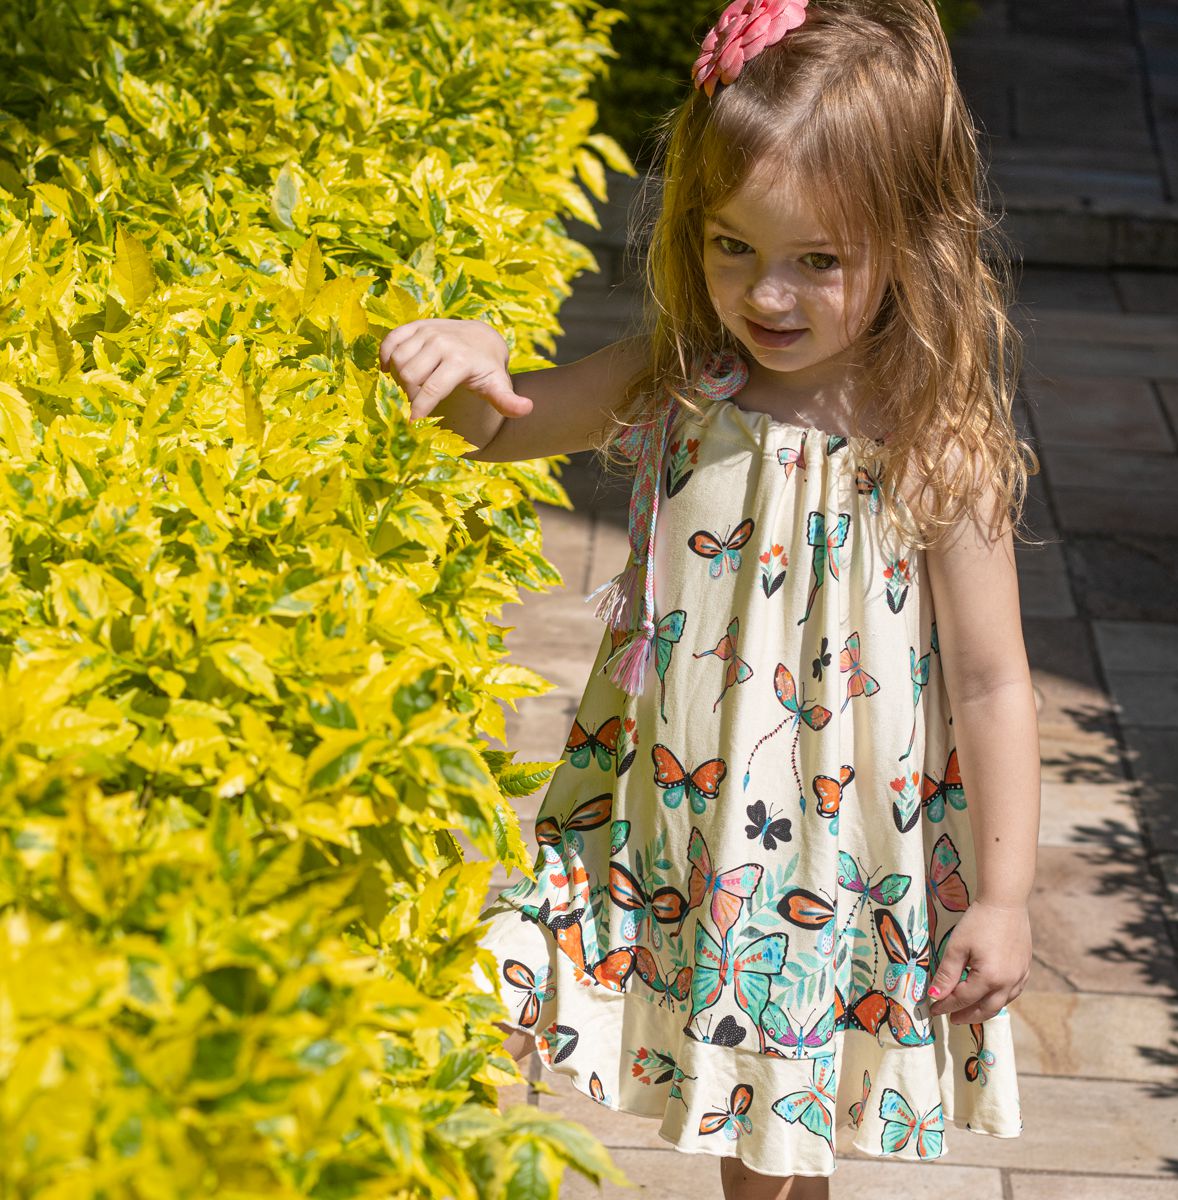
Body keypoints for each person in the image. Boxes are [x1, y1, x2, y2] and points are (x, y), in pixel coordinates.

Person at [378, 0, 1040, 1193]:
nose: (766, 295)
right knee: (745, 1133)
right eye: (732, 246)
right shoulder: (683, 371)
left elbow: (993, 684)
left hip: (827, 853)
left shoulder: (934, 437)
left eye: (817, 260)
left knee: (770, 1140)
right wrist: (468, 357)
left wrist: (1004, 894)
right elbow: (504, 427)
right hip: (679, 817)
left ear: (912, 239)